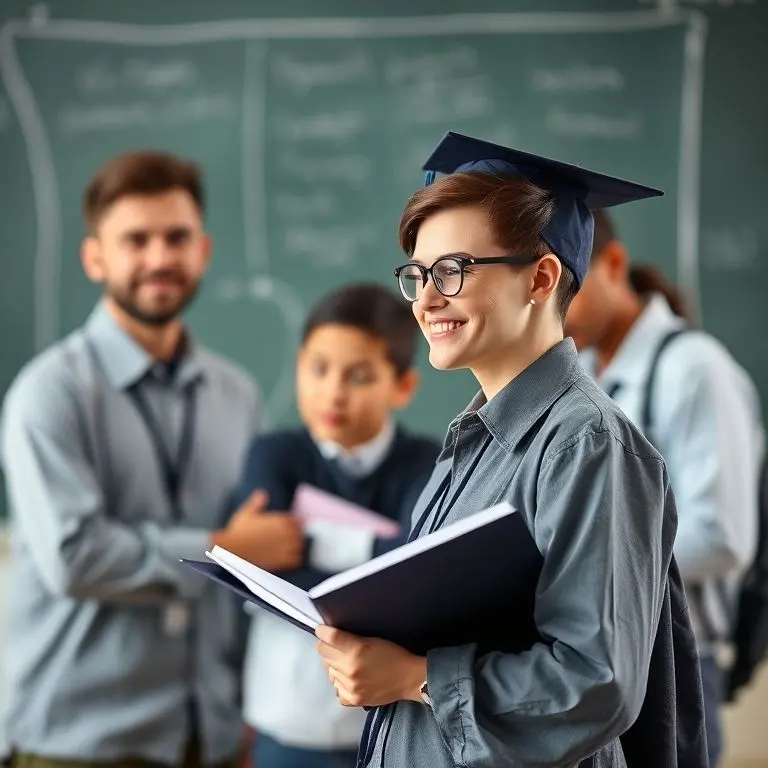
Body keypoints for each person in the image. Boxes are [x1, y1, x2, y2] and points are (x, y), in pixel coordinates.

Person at [313, 132, 708, 768]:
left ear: (541, 277)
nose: (426, 300)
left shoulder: (586, 443)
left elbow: (595, 682)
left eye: (453, 271)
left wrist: (414, 677)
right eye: (418, 275)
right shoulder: (474, 442)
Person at [0, 150, 305, 768]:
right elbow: (75, 557)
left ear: (204, 252)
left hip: (211, 737)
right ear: (95, 258)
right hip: (78, 746)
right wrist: (225, 547)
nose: (160, 257)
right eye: (135, 240)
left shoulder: (236, 394)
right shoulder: (48, 392)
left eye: (177, 237)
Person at [565, 211, 764, 768]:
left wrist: (585, 566)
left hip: (673, 664)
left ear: (613, 264)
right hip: (591, 659)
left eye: (568, 289)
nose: (551, 312)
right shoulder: (580, 371)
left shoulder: (694, 370)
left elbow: (723, 538)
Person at [235, 282, 441, 768]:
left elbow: (415, 576)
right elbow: (257, 579)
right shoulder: (274, 455)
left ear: (403, 386)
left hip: (389, 732)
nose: (333, 392)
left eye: (360, 376)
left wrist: (304, 543)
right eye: (319, 369)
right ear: (299, 364)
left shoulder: (428, 464)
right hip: (285, 727)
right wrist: (378, 554)